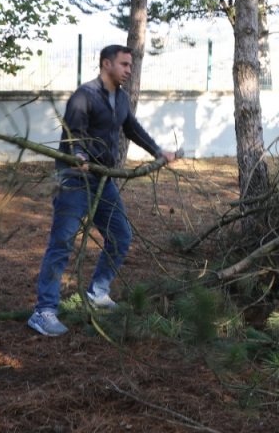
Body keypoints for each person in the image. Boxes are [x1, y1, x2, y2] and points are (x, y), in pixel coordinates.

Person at [28, 44, 178, 337]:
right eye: (124, 65)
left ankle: (97, 292)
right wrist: (79, 155)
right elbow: (74, 133)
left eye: (130, 66)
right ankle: (43, 311)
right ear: (106, 64)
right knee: (62, 244)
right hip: (74, 179)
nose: (128, 70)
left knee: (121, 236)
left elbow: (132, 129)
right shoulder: (84, 96)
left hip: (102, 181)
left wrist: (159, 151)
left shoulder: (120, 99)